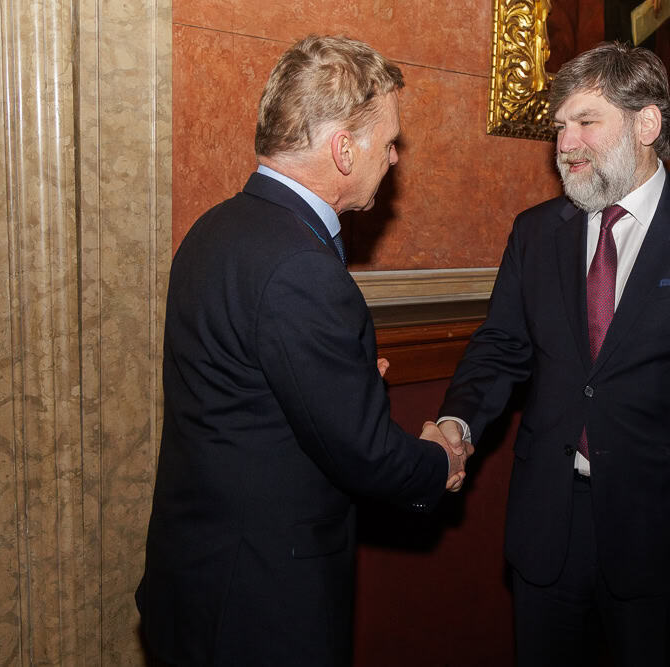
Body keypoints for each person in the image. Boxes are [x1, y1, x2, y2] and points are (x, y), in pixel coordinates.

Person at [437, 43, 670, 666]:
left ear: (646, 124)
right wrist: (457, 422)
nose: (565, 143)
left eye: (586, 121)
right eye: (559, 126)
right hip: (550, 522)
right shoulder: (535, 231)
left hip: (665, 532)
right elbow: (502, 346)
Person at [136, 35, 466, 666]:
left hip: (197, 579)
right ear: (343, 149)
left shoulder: (215, 227)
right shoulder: (299, 265)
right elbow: (365, 455)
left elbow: (250, 388)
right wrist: (439, 461)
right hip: (258, 607)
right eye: (388, 141)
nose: (395, 156)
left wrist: (342, 377)